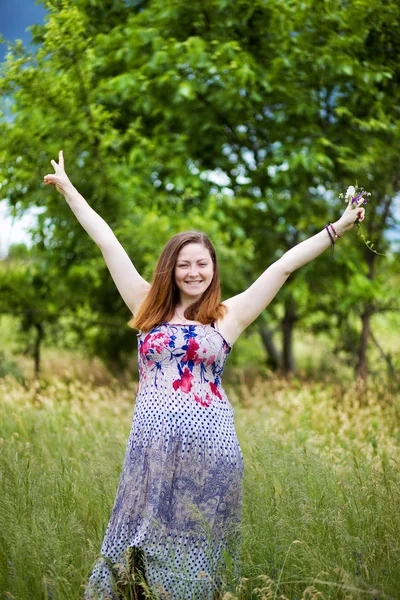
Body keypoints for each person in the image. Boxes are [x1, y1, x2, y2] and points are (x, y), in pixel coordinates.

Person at [44, 151, 366, 600]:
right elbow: (108, 243)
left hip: (211, 451)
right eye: (184, 264)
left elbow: (283, 266)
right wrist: (69, 189)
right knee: (133, 547)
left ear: (213, 269)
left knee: (193, 553)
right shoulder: (146, 307)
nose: (194, 272)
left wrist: (340, 226)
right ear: (170, 269)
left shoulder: (227, 318)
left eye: (202, 264)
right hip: (151, 447)